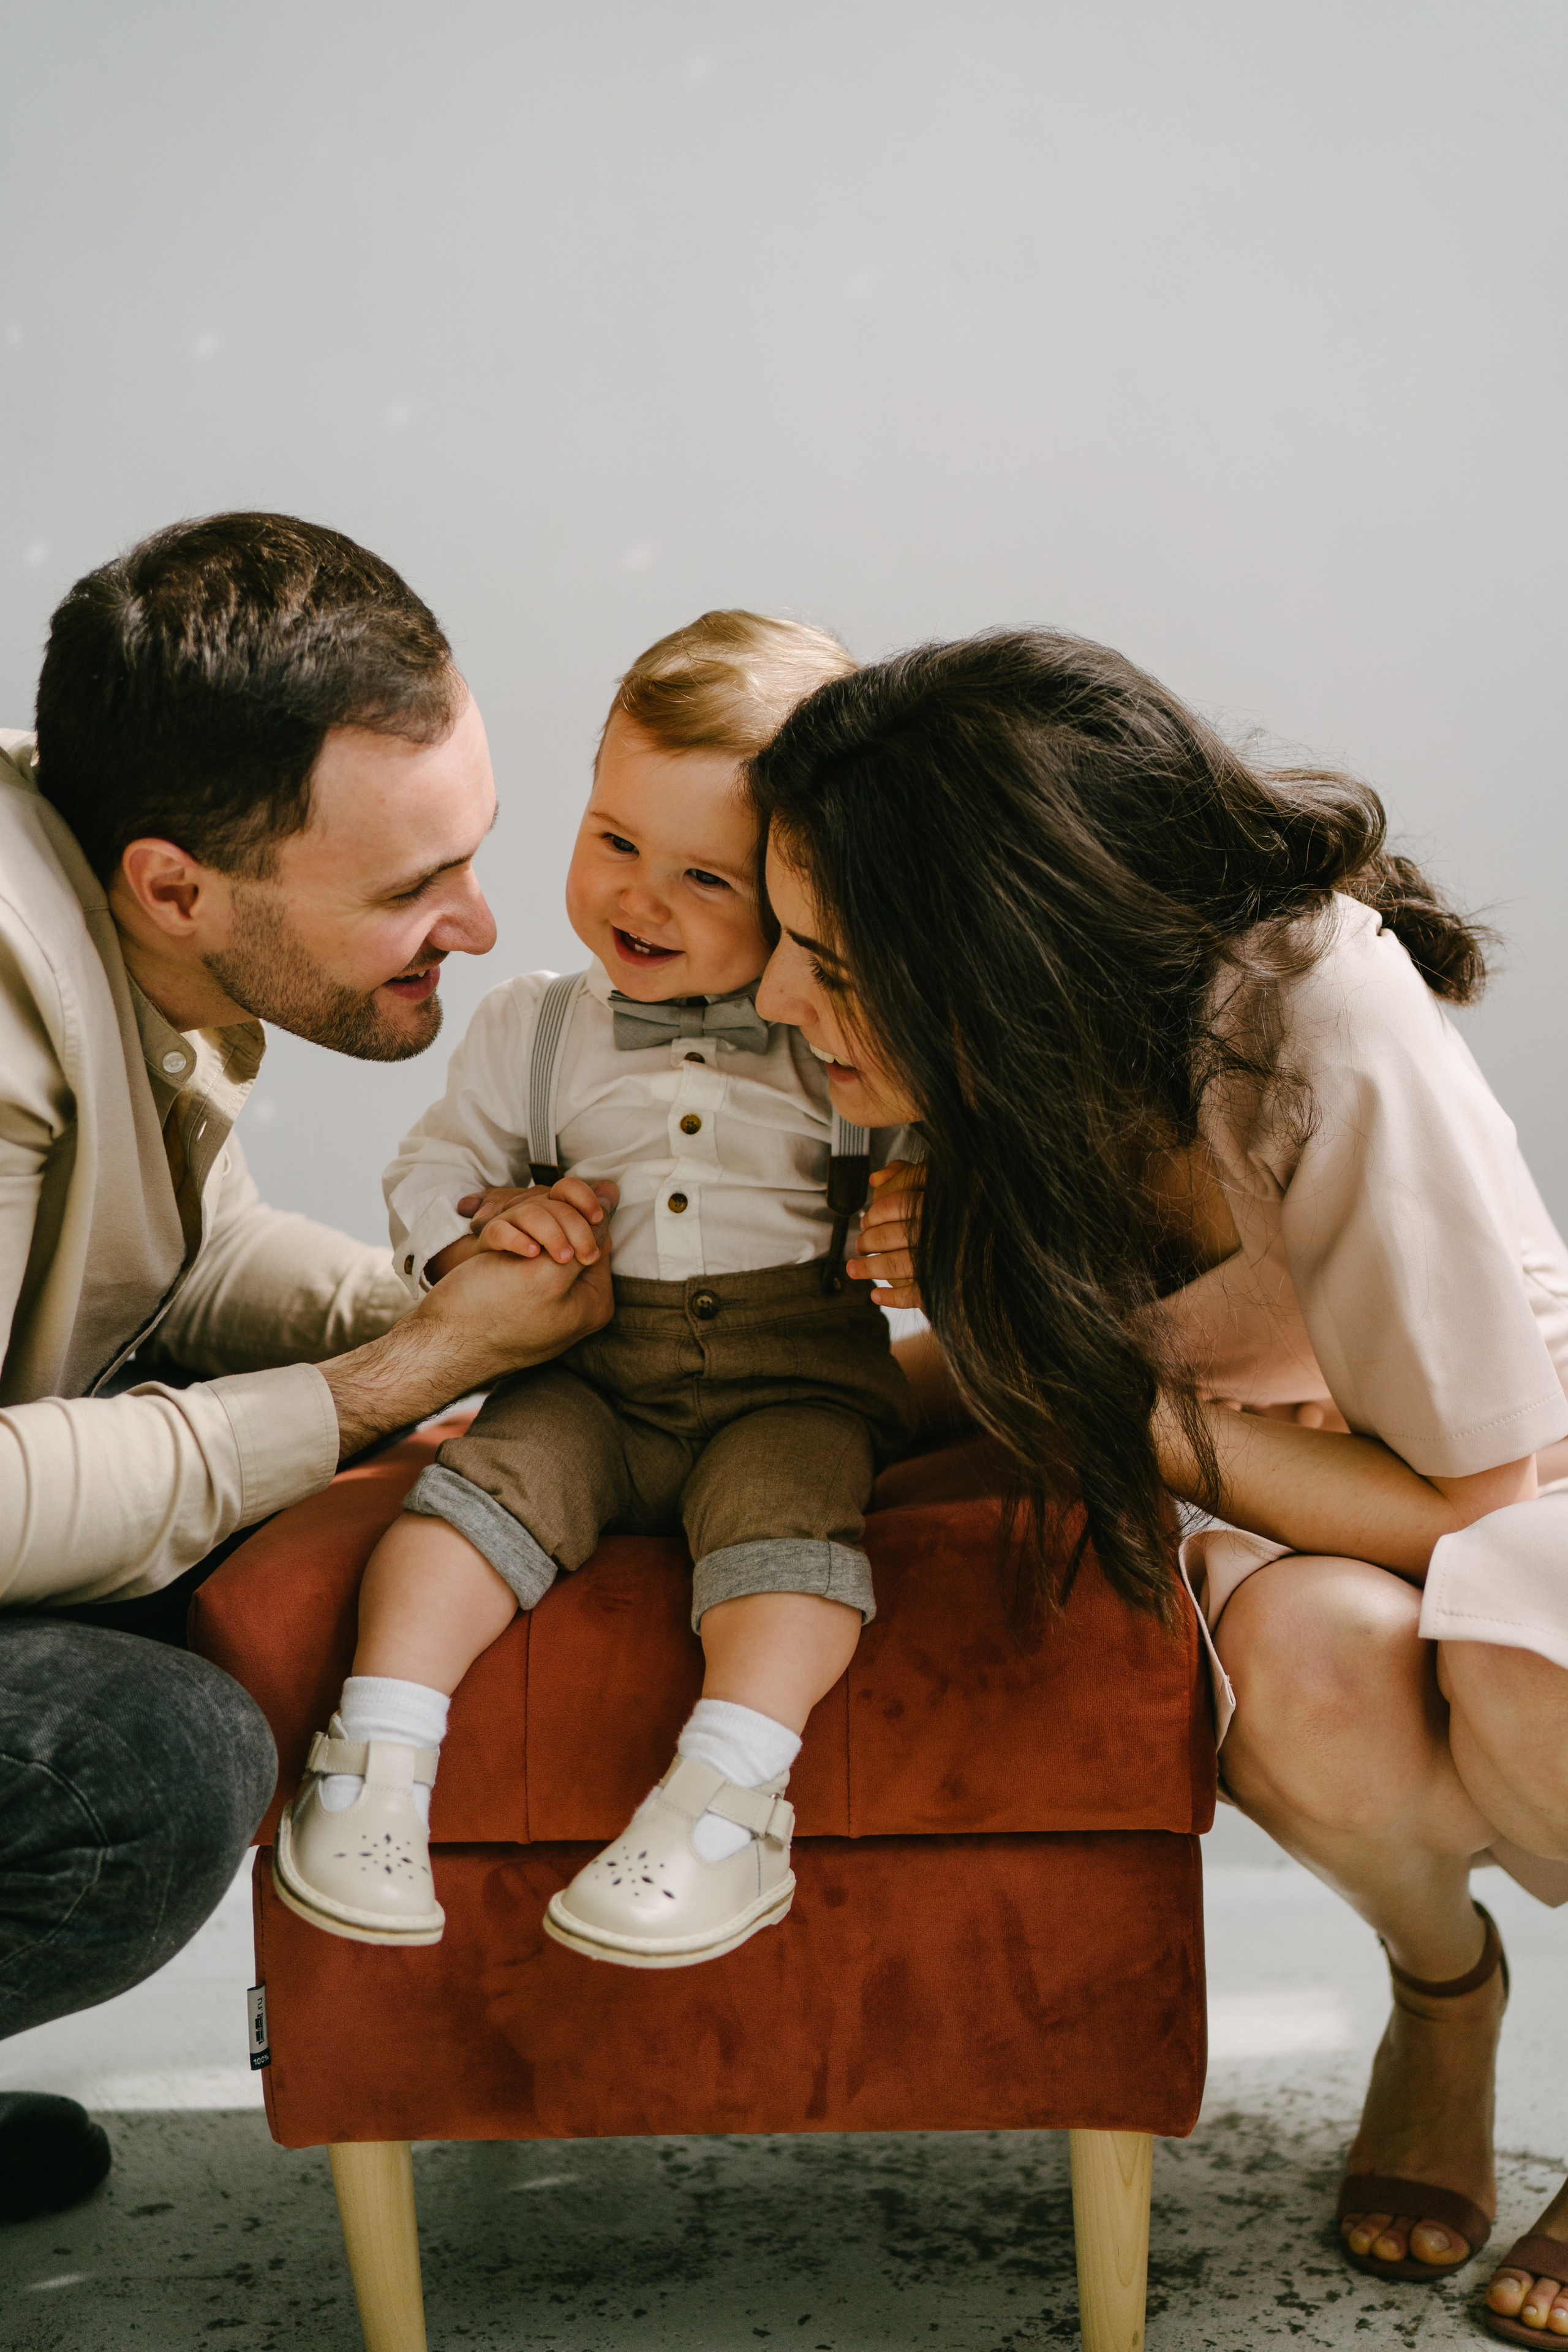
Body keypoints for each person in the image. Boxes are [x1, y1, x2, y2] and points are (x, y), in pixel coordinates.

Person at [744, 629, 1568, 2346]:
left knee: (1508, 1647)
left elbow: (1475, 1506)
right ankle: (1445, 1990)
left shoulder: (1317, 1012)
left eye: (821, 959)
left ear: (1000, 949)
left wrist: (1105, 1399)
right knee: (1315, 1673)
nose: (770, 997)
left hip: (1496, 1462)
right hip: (1245, 1452)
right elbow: (999, 1376)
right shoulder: (988, 1054)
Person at [0, 513, 612, 2220]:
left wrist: (441, 1298)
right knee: (135, 1769)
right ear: (176, 885)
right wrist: (386, 1387)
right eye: (415, 889)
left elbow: (176, 1260)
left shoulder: (126, 895)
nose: (481, 925)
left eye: (470, 855)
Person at [271, 611, 914, 1970]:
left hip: (788, 1383)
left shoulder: (841, 1038)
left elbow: (953, 1168)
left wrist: (933, 1212)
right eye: (613, 842)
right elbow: (435, 1162)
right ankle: (374, 1760)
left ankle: (724, 1800)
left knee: (792, 1531)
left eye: (704, 878)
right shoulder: (537, 1024)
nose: (640, 899)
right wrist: (480, 1227)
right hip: (589, 1375)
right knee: (475, 1500)